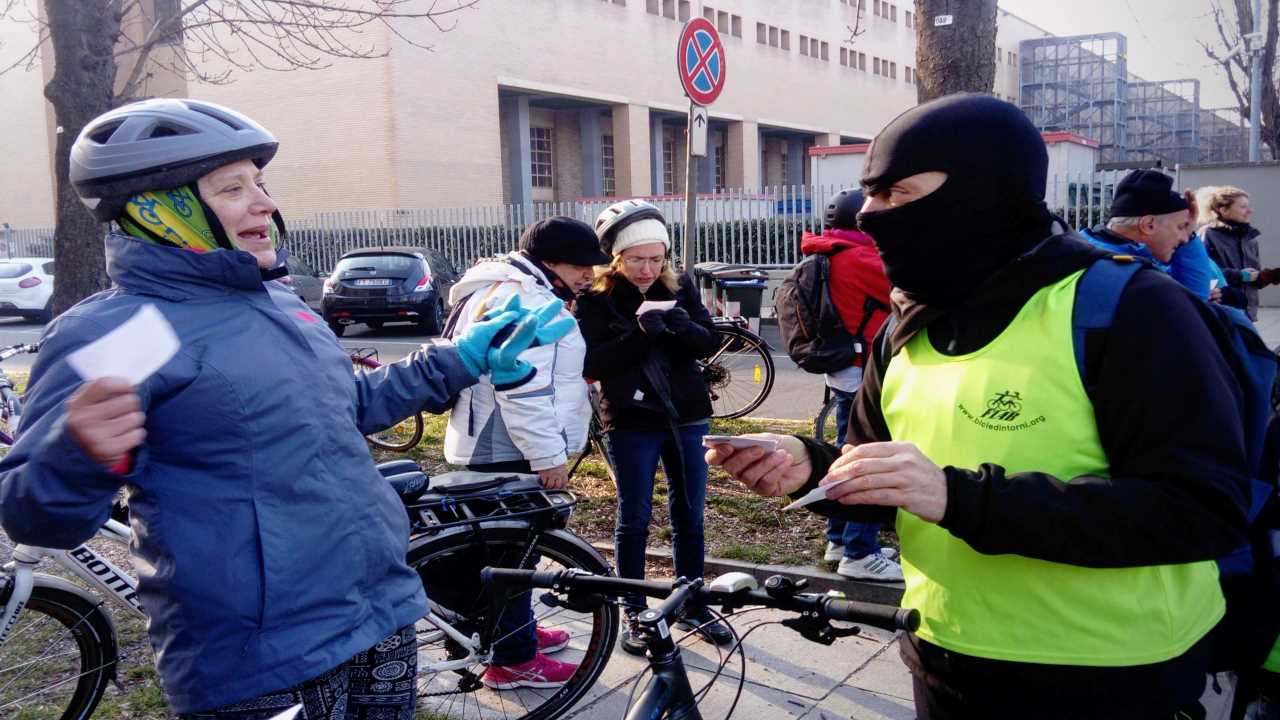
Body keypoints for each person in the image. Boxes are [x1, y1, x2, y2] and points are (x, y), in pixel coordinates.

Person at [0, 98, 570, 719]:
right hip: (259, 657)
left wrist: (458, 360)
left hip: (379, 615)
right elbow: (34, 517)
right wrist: (76, 457)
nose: (264, 203)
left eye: (261, 183)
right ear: (160, 210)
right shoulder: (130, 332)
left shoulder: (281, 304)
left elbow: (345, 407)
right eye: (232, 188)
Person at [707, 94, 1250, 718]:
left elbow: (1204, 509)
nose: (873, 216)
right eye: (870, 196)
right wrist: (813, 468)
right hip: (941, 656)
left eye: (899, 195)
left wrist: (957, 497)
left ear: (985, 192)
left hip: (1111, 677)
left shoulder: (1134, 309)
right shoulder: (908, 320)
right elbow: (884, 472)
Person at [443, 215, 609, 689]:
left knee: (506, 552)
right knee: (514, 555)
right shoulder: (526, 299)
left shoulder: (500, 286)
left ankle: (515, 634)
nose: (589, 275)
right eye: (581, 265)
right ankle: (513, 659)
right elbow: (522, 388)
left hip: (486, 439)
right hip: (508, 446)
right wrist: (547, 457)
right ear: (549, 261)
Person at [575, 199, 733, 654]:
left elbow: (710, 343)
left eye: (656, 258)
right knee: (635, 517)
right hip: (632, 420)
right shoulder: (596, 298)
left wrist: (682, 327)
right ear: (616, 258)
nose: (647, 269)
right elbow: (594, 361)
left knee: (689, 512)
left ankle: (692, 601)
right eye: (637, 259)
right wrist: (640, 334)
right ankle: (634, 607)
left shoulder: (680, 286)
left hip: (687, 414)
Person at [800, 188, 901, 581]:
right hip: (865, 368)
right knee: (868, 455)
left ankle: (840, 538)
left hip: (844, 366)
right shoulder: (863, 257)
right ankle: (860, 551)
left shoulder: (827, 252)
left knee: (847, 449)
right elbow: (904, 296)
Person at [1080, 169, 1221, 300]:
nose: (1185, 239)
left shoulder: (1123, 259)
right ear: (1149, 225)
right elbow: (1188, 303)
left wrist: (1189, 233)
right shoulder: (1116, 273)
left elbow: (1192, 299)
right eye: (1180, 227)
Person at [1204, 186, 1274, 319]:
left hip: (1248, 313)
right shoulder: (1208, 235)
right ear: (1224, 210)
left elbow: (1255, 278)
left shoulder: (1250, 239)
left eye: (1248, 206)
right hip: (1222, 312)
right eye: (1243, 207)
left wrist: (1270, 275)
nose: (1250, 211)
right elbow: (1206, 273)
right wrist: (1240, 275)